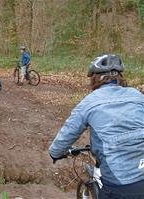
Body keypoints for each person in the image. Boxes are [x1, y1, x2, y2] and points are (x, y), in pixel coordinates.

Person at [49, 54, 144, 199]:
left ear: (94, 78)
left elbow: (68, 132)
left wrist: (55, 152)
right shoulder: (137, 96)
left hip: (119, 185)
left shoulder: (90, 102)